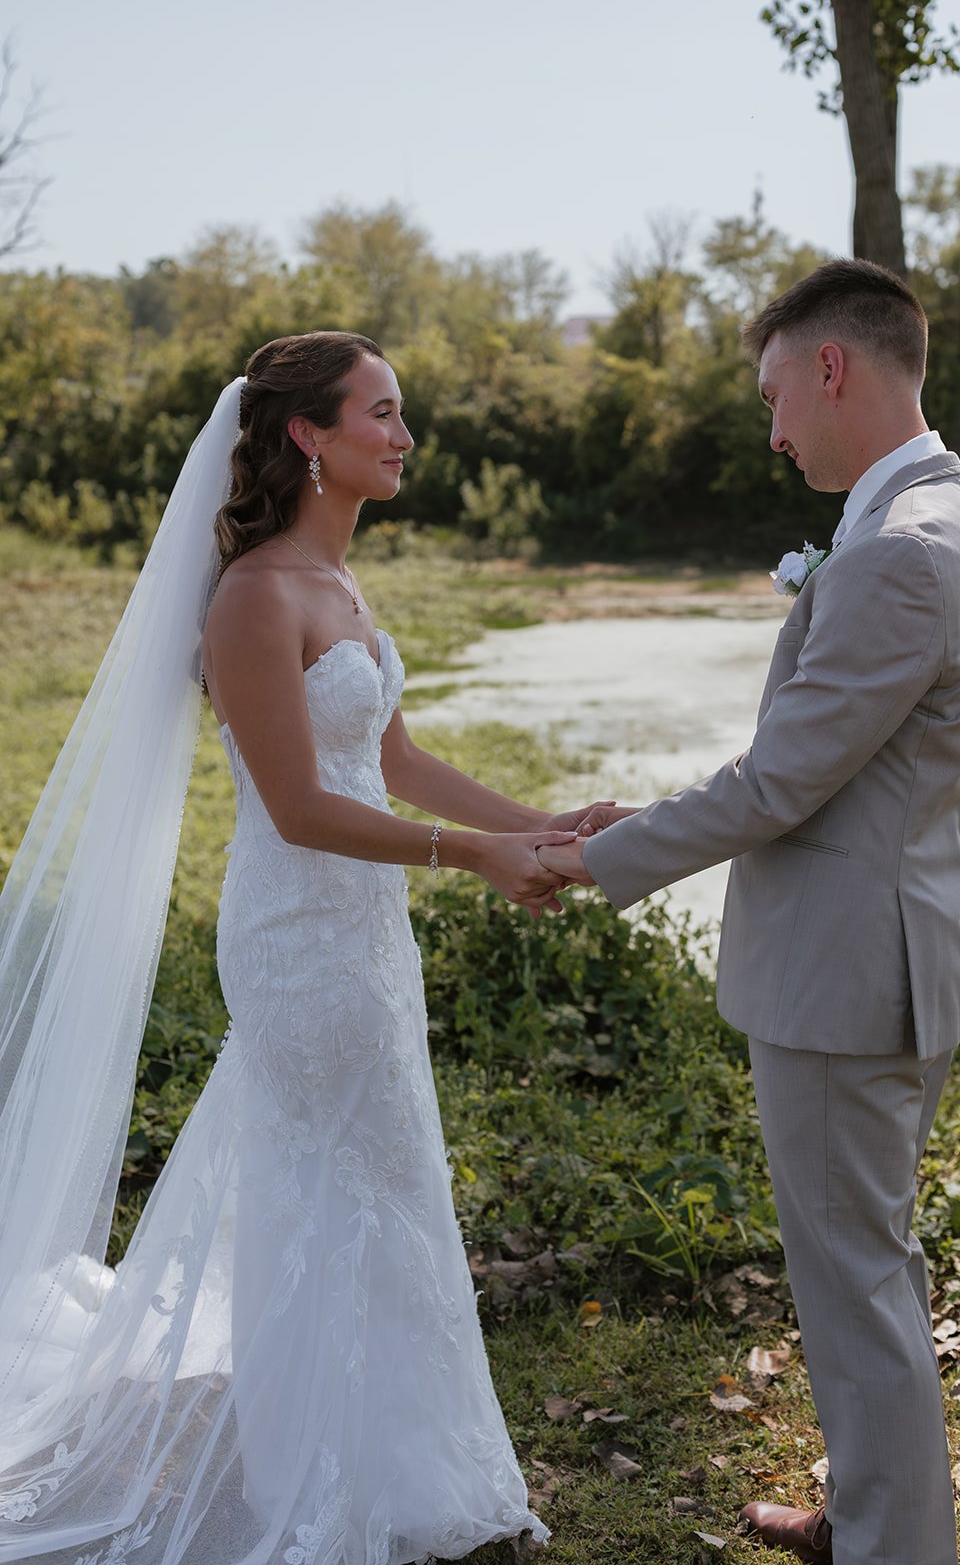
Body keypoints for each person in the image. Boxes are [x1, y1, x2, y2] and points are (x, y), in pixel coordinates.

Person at [0, 331, 599, 1564]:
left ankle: (401, 1460)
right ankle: (323, 1476)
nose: (404, 434)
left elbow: (394, 762)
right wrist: (471, 859)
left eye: (400, 412)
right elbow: (299, 808)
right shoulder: (254, 596)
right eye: (380, 412)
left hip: (364, 932)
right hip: (294, 938)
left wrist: (540, 825)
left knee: (381, 1178)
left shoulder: (341, 583)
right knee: (332, 1185)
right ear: (307, 436)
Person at [540, 260, 960, 1565]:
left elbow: (777, 782)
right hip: (887, 960)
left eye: (770, 395)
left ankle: (889, 1550)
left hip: (847, 980)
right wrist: (632, 817)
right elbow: (827, 770)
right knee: (865, 1268)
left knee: (855, 1282)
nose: (768, 431)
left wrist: (600, 859)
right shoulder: (936, 520)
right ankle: (872, 1514)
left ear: (829, 367)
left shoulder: (897, 553)